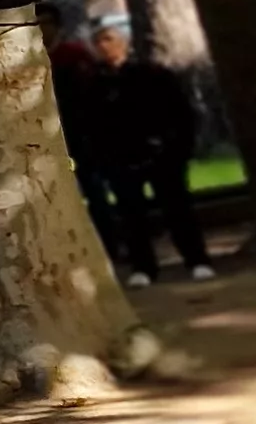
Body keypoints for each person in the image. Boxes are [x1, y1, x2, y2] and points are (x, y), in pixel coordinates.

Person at [90, 15, 217, 285]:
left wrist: (177, 148)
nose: (103, 46)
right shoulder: (94, 85)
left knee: (177, 208)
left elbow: (180, 113)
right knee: (132, 214)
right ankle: (143, 267)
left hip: (161, 154)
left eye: (108, 39)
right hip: (121, 159)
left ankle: (197, 260)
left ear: (124, 44)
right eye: (97, 42)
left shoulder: (153, 75)